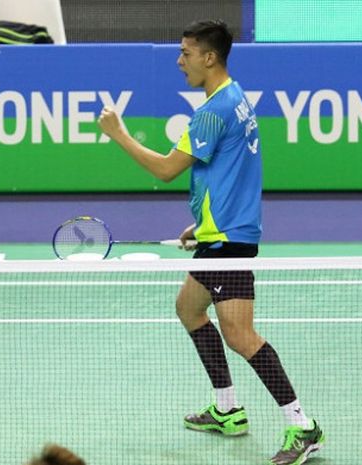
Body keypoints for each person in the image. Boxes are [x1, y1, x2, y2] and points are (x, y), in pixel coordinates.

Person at [97, 19, 324, 465]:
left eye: (186, 52)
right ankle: (227, 409)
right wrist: (202, 222)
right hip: (220, 233)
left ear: (209, 57)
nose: (179, 61)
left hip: (229, 242)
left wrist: (119, 134)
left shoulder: (213, 111)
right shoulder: (237, 97)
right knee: (188, 308)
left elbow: (166, 169)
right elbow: (230, 171)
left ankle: (303, 425)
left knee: (240, 335)